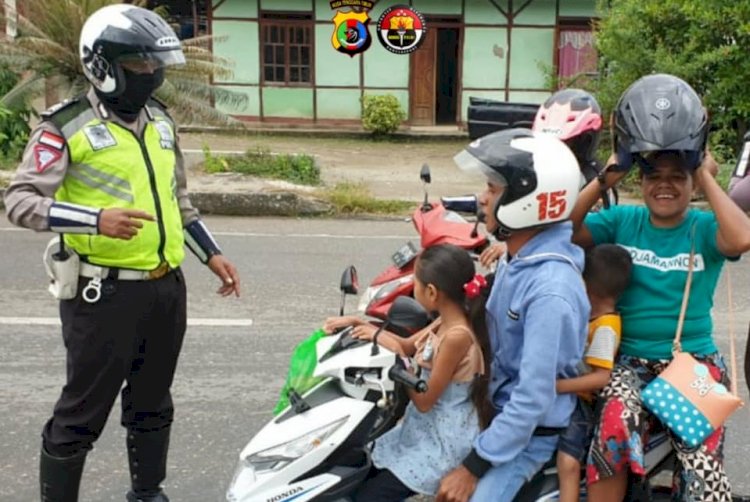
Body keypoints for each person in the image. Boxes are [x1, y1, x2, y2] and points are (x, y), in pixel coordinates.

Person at [3, 5, 241, 501]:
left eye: (156, 66)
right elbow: (20, 201)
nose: (150, 76)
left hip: (164, 288)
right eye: (138, 66)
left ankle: (147, 493)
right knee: (81, 412)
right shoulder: (64, 126)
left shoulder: (160, 123)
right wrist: (94, 220)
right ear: (102, 65)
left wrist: (211, 255)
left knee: (153, 402)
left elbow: (179, 203)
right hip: (102, 292)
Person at [569, 74, 750, 501]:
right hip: (627, 362)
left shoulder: (705, 227)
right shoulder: (623, 221)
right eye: (654, 177)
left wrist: (705, 174)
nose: (664, 185)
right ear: (642, 182)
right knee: (612, 434)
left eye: (677, 177)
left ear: (691, 184)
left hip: (691, 365)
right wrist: (608, 176)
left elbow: (741, 238)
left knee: (702, 467)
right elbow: (566, 230)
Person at [436, 129, 590, 502]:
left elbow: (533, 398)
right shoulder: (518, 256)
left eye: (492, 189)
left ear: (529, 200)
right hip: (496, 410)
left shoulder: (549, 289)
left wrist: (472, 468)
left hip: (529, 435)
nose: (483, 200)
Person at [348, 243, 492, 501]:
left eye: (415, 282)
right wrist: (363, 326)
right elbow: (406, 346)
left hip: (441, 442)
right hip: (423, 430)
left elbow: (425, 400)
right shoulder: (445, 319)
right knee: (359, 469)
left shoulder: (457, 335)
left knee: (370, 497)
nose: (413, 288)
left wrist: (399, 367)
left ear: (432, 292)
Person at [478, 88, 611, 268]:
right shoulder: (545, 171)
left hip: (576, 267)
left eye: (565, 143)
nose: (554, 149)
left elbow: (569, 232)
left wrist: (518, 244)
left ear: (584, 143)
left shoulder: (596, 182)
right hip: (537, 257)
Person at [556, 243, 632, 502]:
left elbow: (601, 377)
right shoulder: (592, 316)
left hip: (584, 402)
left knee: (567, 461)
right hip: (574, 391)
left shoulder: (605, 328)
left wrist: (556, 386)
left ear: (587, 290)